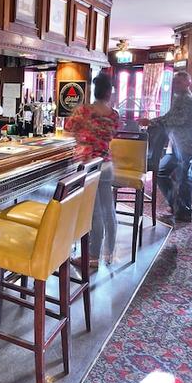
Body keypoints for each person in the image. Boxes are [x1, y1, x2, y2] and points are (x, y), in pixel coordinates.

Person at [64, 72, 120, 266]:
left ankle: (93, 257)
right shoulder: (114, 115)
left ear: (94, 91)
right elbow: (113, 133)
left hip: (89, 165)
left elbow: (68, 129)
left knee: (95, 212)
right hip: (107, 165)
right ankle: (109, 253)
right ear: (109, 93)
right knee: (109, 210)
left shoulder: (84, 111)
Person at [138, 71, 192, 223]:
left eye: (179, 82)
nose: (176, 85)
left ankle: (183, 210)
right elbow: (169, 118)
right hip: (179, 145)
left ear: (188, 84)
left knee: (183, 177)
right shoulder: (180, 99)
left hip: (185, 145)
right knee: (166, 173)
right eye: (175, 82)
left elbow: (174, 120)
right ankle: (178, 206)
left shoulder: (187, 100)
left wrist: (151, 122)